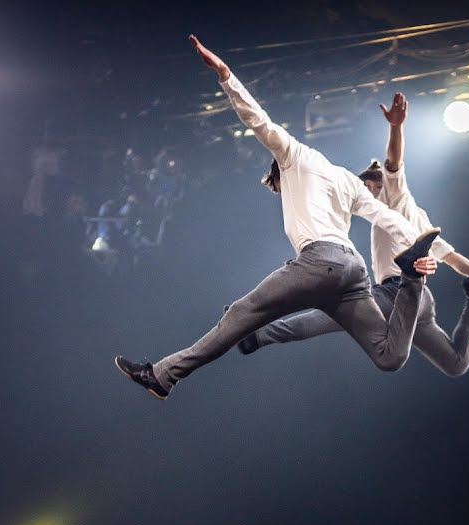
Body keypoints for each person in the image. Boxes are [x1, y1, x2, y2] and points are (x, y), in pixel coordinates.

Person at [114, 35, 444, 401]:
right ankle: (412, 280)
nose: (282, 193)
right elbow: (382, 213)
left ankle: (161, 376)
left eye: (277, 188)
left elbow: (258, 120)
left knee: (241, 311)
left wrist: (225, 75)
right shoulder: (347, 180)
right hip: (353, 273)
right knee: (389, 356)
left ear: (278, 172)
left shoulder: (293, 155)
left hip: (321, 263)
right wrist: (416, 245)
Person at [240, 92, 469, 377]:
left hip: (395, 293)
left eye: (365, 189)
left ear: (375, 185)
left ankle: (256, 334)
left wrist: (395, 127)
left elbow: (393, 162)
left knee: (333, 316)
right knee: (455, 364)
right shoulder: (418, 218)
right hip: (421, 301)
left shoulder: (395, 195)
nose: (361, 198)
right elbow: (451, 257)